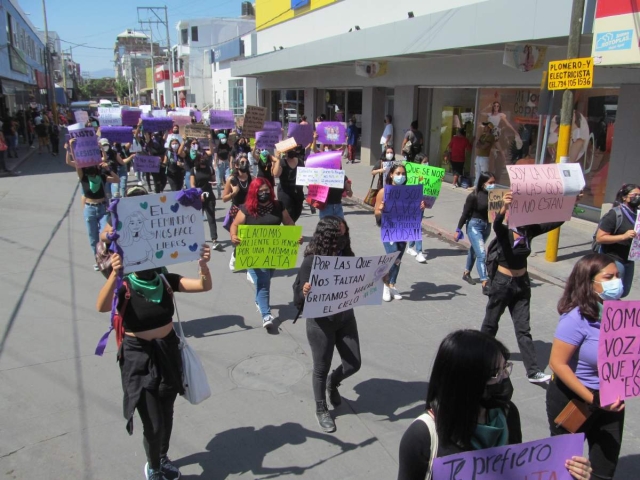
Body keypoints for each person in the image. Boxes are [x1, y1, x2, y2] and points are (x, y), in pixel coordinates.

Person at [397, 329, 592, 480]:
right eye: (494, 374)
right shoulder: (422, 436)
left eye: (505, 368)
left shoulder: (507, 415)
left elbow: (520, 472)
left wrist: (567, 473)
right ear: (464, 383)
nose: (504, 378)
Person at [96, 245, 212, 480]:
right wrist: (114, 275)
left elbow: (203, 286)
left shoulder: (166, 280)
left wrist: (203, 266)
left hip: (168, 353)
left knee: (166, 411)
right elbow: (102, 306)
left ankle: (161, 457)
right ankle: (153, 466)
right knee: (154, 423)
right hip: (138, 358)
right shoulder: (125, 285)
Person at [480, 191, 581, 383]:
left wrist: (572, 203)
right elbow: (496, 224)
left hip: (522, 284)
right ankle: (479, 358)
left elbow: (555, 222)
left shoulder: (529, 230)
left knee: (523, 329)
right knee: (491, 324)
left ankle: (533, 372)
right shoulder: (505, 230)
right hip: (502, 284)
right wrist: (504, 207)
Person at [546, 254, 626, 480]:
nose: (616, 282)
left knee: (604, 469)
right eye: (609, 277)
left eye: (618, 276)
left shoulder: (621, 314)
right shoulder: (575, 319)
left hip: (612, 402)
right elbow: (557, 363)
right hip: (574, 401)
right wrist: (594, 399)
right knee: (567, 470)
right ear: (588, 283)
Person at [297, 217, 361, 433]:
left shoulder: (347, 256)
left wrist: (379, 277)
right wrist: (304, 292)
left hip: (345, 317)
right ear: (327, 237)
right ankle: (321, 408)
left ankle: (333, 382)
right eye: (338, 236)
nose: (342, 239)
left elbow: (359, 282)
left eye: (345, 234)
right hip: (321, 324)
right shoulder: (311, 262)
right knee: (320, 368)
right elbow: (298, 299)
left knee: (354, 364)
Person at [230, 178, 298, 328]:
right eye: (260, 191)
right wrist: (233, 236)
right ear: (254, 192)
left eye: (266, 190)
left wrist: (295, 235)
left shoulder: (278, 206)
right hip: (253, 252)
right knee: (264, 281)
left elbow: (288, 223)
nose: (264, 193)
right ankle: (266, 315)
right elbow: (235, 225)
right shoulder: (246, 209)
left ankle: (259, 299)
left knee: (267, 277)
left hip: (273, 252)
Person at [375, 164, 426, 302]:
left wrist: (421, 208)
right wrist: (381, 209)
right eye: (398, 173)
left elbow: (416, 214)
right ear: (391, 174)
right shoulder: (383, 191)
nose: (401, 176)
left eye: (403, 174)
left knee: (398, 260)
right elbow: (376, 213)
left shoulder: (410, 193)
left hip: (404, 230)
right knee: (393, 255)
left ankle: (392, 284)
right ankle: (385, 285)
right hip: (389, 229)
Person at [67, 138, 119, 268]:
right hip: (89, 209)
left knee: (104, 235)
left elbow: (117, 180)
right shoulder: (83, 176)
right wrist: (71, 147)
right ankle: (98, 259)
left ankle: (106, 256)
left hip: (102, 208)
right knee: (92, 237)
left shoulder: (101, 176)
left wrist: (107, 168)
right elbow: (72, 162)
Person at [595, 183, 639, 298]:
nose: (637, 198)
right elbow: (600, 238)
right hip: (613, 258)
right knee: (612, 293)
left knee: (624, 292)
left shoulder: (637, 214)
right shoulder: (615, 214)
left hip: (629, 258)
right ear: (624, 197)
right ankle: (604, 312)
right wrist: (623, 236)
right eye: (634, 195)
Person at [455, 171, 496, 289]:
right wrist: (458, 229)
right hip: (474, 226)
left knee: (474, 250)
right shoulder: (473, 196)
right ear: (483, 183)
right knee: (482, 255)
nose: (493, 185)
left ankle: (466, 273)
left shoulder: (494, 196)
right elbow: (465, 213)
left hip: (487, 226)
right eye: (490, 183)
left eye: (494, 182)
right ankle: (484, 281)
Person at [222, 153, 253, 271]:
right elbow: (224, 198)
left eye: (246, 162)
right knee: (239, 238)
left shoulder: (252, 178)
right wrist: (233, 193)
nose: (245, 165)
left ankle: (246, 261)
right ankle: (235, 255)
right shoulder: (232, 179)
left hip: (249, 210)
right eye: (242, 162)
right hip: (236, 211)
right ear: (236, 165)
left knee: (248, 237)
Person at [190, 151, 221, 251]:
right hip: (198, 197)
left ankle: (214, 240)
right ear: (197, 160)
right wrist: (199, 195)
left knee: (211, 218)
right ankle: (196, 239)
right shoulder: (194, 170)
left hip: (209, 196)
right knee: (197, 219)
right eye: (201, 158)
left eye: (205, 158)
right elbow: (192, 185)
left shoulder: (210, 168)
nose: (203, 160)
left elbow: (213, 179)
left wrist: (214, 181)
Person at [273, 148, 305, 222]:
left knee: (297, 212)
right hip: (285, 192)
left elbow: (305, 176)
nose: (292, 152)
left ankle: (291, 227)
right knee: (288, 214)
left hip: (298, 192)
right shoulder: (282, 162)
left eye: (294, 149)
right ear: (285, 152)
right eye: (289, 150)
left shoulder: (300, 161)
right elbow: (276, 174)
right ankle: (290, 230)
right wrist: (277, 159)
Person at [474, 122, 495, 188]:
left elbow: (484, 146)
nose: (484, 127)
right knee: (477, 171)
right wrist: (481, 145)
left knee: (484, 172)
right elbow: (477, 145)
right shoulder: (482, 135)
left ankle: (484, 186)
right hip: (479, 156)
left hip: (484, 157)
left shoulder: (491, 136)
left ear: (489, 128)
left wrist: (481, 144)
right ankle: (476, 185)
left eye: (486, 126)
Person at [214, 133, 233, 198]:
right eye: (222, 138)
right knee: (218, 181)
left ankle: (228, 193)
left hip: (226, 163)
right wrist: (215, 165)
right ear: (219, 139)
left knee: (228, 179)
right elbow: (216, 156)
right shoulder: (217, 147)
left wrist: (230, 163)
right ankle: (219, 194)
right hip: (220, 163)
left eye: (225, 138)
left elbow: (230, 154)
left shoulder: (227, 146)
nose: (224, 140)